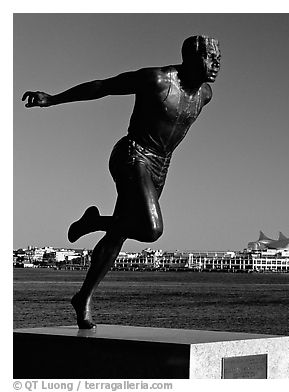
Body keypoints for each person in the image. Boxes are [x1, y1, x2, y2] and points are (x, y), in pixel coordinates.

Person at [22, 35, 221, 329]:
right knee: (151, 229)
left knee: (118, 235)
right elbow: (104, 87)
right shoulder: (156, 79)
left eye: (219, 59)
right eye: (210, 58)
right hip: (132, 154)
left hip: (160, 167)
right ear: (191, 59)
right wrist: (53, 99)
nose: (216, 65)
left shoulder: (205, 94)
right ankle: (93, 223)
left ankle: (84, 297)